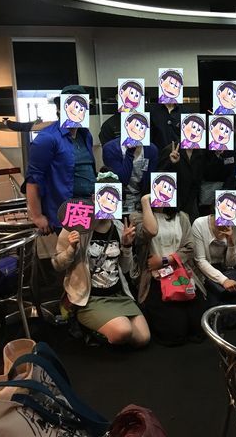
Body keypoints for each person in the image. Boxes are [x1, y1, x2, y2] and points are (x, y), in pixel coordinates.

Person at [53, 208, 150, 347]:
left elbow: (125, 268)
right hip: (89, 298)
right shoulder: (77, 226)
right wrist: (71, 249)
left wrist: (127, 245)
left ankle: (109, 326)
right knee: (123, 331)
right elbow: (57, 264)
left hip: (117, 294)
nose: (109, 202)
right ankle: (87, 327)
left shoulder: (118, 226)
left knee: (143, 338)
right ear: (94, 198)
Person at [132, 194, 205, 346]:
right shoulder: (137, 217)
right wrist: (146, 201)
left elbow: (190, 247)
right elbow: (150, 232)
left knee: (198, 330)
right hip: (155, 276)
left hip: (181, 271)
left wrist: (166, 260)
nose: (163, 190)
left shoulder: (182, 216)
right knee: (174, 333)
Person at [26, 85, 96, 235]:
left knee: (96, 248)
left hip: (91, 206)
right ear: (60, 109)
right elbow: (33, 179)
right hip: (68, 210)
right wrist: (37, 216)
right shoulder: (47, 138)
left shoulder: (85, 135)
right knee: (72, 249)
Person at [102, 138, 158, 213]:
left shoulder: (151, 149)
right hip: (116, 200)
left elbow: (150, 183)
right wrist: (130, 151)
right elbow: (122, 180)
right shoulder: (110, 148)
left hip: (142, 201)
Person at [157, 142, 203, 221]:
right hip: (169, 202)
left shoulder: (200, 153)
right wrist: (171, 163)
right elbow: (159, 178)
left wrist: (188, 207)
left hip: (190, 202)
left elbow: (197, 182)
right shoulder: (171, 149)